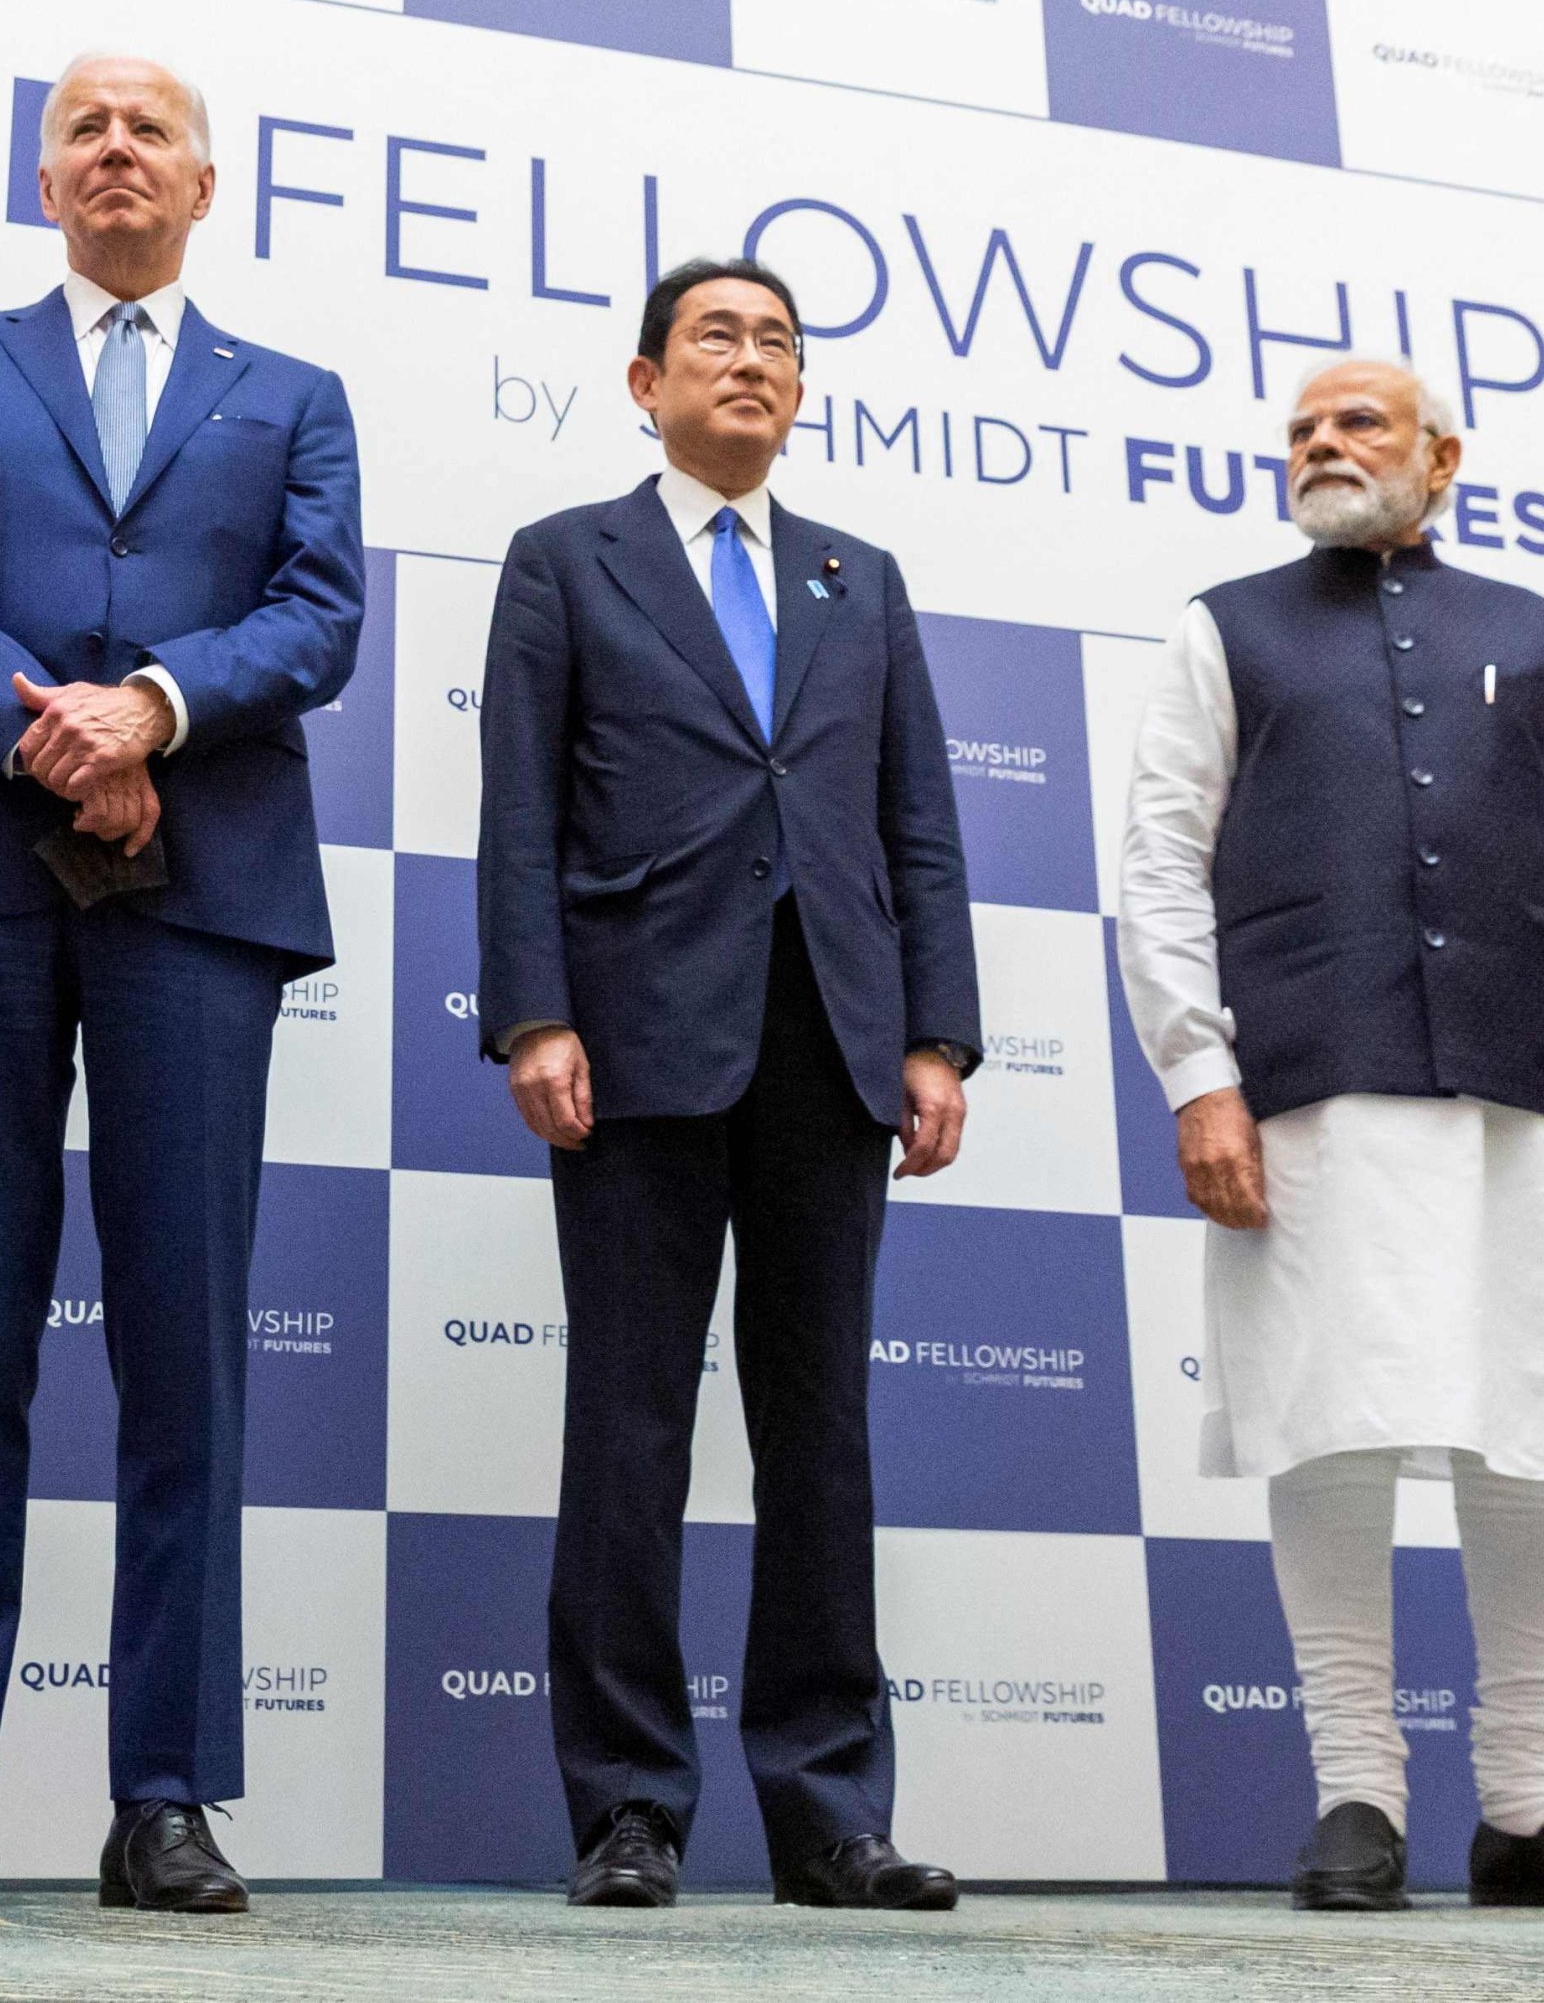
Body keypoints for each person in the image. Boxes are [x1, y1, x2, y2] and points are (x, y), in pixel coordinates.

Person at [0, 50, 364, 1916]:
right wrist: (47, 725)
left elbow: (322, 611)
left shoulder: (292, 393)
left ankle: (164, 1794)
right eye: (83, 129)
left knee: (186, 1351)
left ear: (207, 186)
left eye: (152, 130)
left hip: (199, 884)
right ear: (45, 179)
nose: (115, 149)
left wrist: (157, 707)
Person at [1115, 356, 1544, 1915]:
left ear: (1442, 457)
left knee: (1537, 1426)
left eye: (1357, 423)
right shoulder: (1223, 627)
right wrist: (1199, 1074)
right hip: (1311, 1085)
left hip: (1535, 1095)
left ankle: (1526, 1806)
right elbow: (1161, 865)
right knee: (1332, 1422)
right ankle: (1357, 1797)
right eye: (1302, 430)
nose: (1322, 442)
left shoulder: (1540, 635)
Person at [473, 257, 979, 1913]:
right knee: (630, 1429)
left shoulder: (864, 577)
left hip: (833, 1048)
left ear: (801, 387)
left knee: (820, 1436)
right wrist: (533, 1014)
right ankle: (630, 1806)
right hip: (632, 1045)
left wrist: (936, 1036)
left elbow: (919, 827)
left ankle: (831, 1811)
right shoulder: (567, 560)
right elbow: (520, 810)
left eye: (777, 342)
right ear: (645, 382)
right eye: (717, 338)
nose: (750, 361)